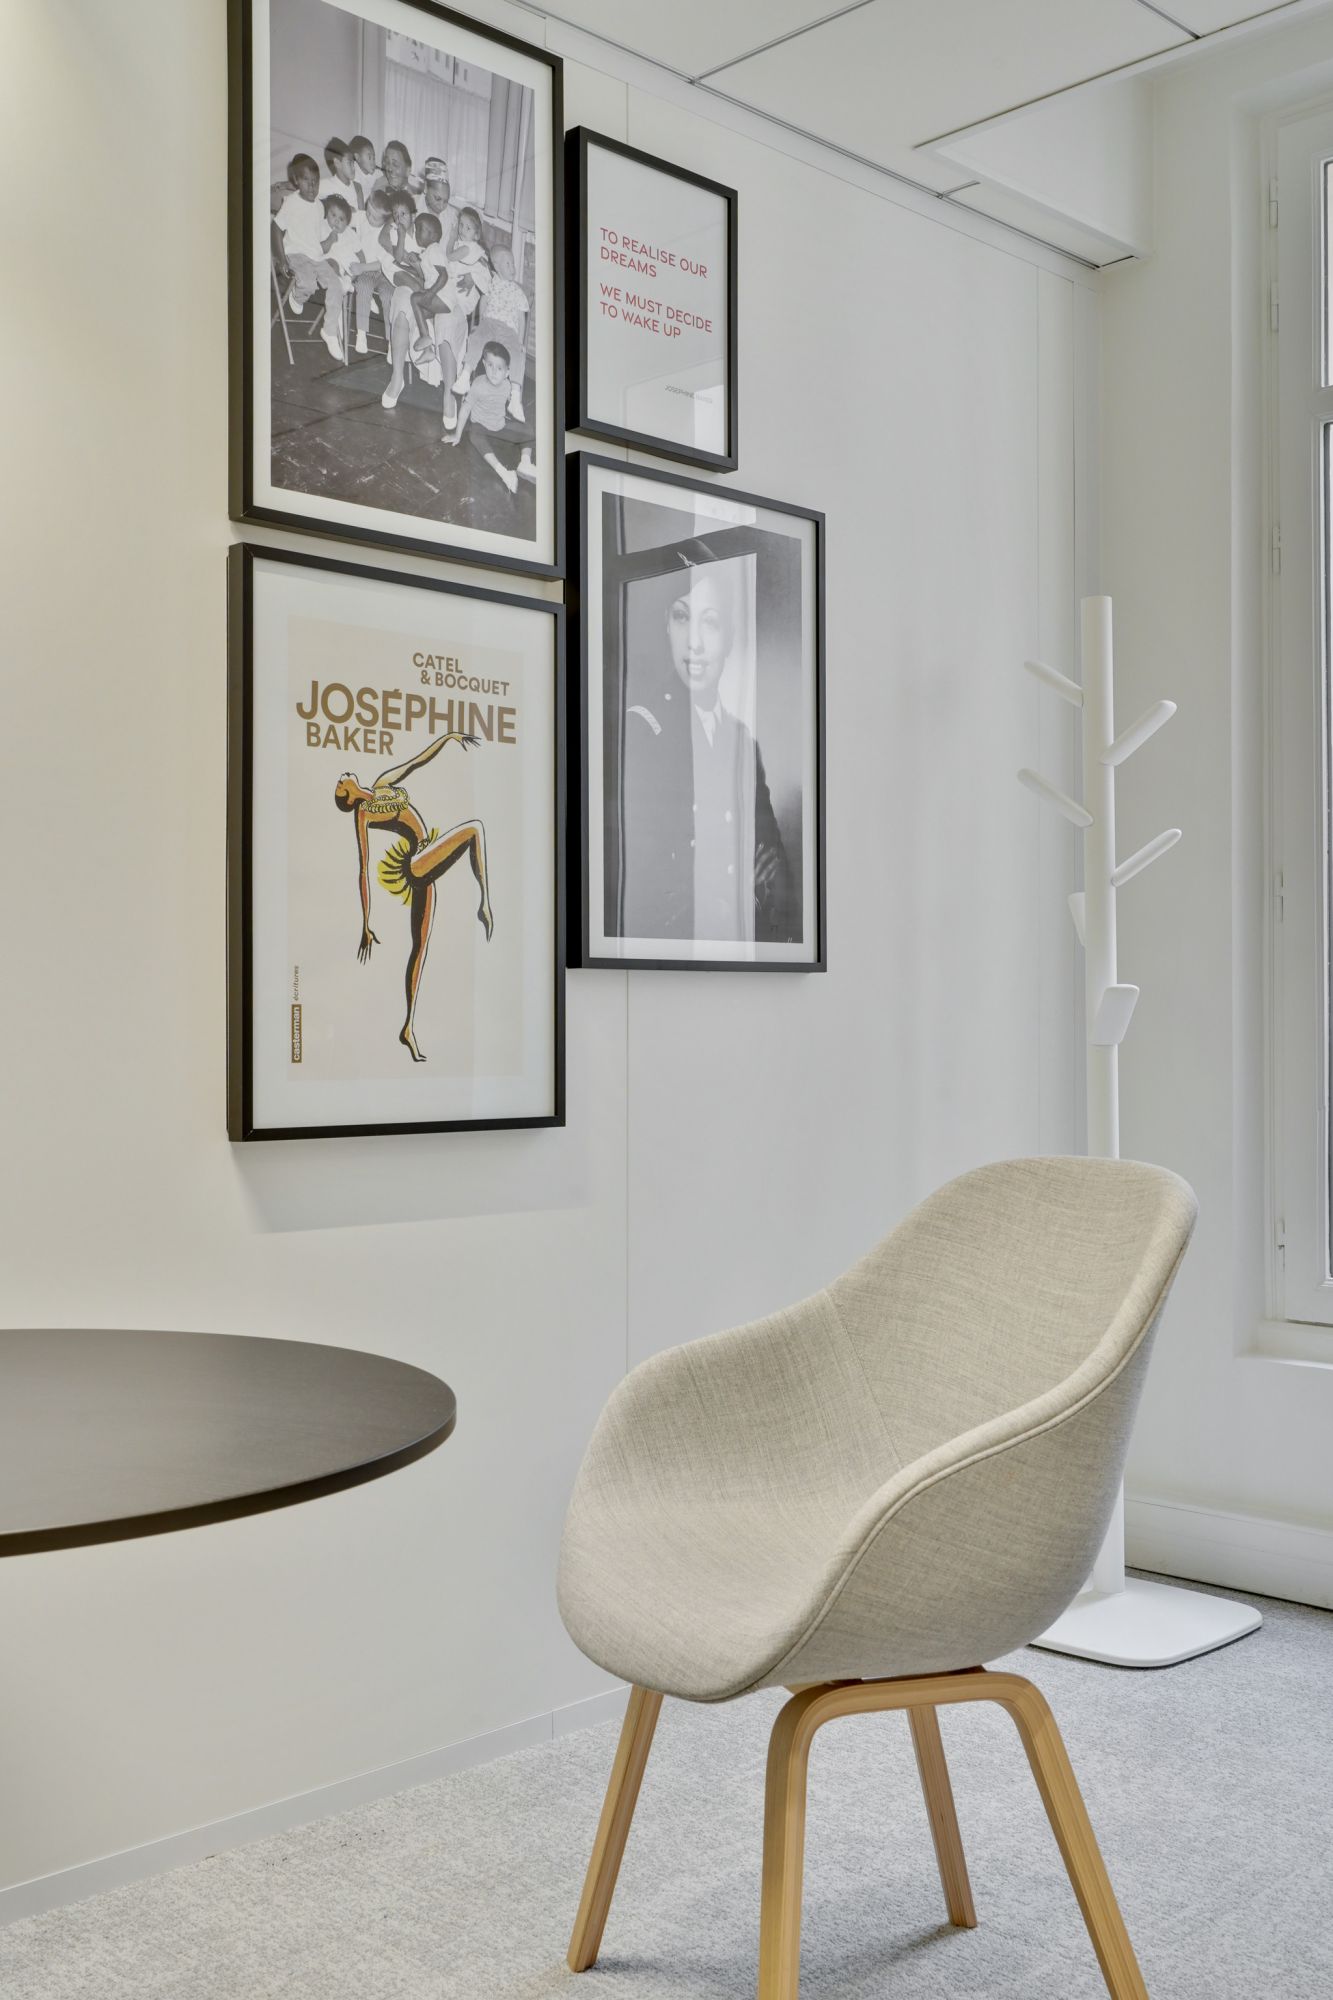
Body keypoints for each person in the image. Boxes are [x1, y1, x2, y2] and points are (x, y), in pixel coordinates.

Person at [618, 558, 792, 944]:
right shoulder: (643, 729)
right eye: (682, 617)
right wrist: (733, 885)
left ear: (730, 637)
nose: (693, 642)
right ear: (667, 625)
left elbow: (775, 865)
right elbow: (644, 872)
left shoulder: (742, 743)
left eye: (710, 623)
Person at [333, 730, 492, 1064]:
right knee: (474, 829)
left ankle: (408, 1027)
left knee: (420, 948)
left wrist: (448, 737)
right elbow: (362, 870)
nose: (341, 778)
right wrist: (365, 923)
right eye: (339, 785)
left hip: (424, 860)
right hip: (418, 862)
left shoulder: (382, 783)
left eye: (339, 781)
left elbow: (418, 761)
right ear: (347, 798)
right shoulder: (362, 815)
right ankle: (484, 904)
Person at [274, 152, 345, 358]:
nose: (312, 186)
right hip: (296, 254)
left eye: (315, 181)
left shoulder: (320, 207)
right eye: (307, 181)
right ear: (296, 181)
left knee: (337, 285)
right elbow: (275, 228)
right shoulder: (291, 202)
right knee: (308, 283)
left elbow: (315, 238)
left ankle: (329, 331)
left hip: (315, 256)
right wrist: (281, 259)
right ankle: (298, 296)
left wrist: (329, 242)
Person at [447, 340, 535, 493]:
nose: (494, 371)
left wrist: (515, 406)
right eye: (490, 365)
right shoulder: (478, 384)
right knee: (474, 433)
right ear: (484, 363)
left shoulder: (507, 385)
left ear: (507, 372)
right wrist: (457, 435)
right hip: (482, 429)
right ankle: (504, 472)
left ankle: (525, 463)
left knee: (528, 428)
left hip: (500, 428)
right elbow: (465, 409)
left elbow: (513, 406)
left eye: (499, 368)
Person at [453, 244, 528, 420]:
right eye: (507, 264)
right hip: (489, 323)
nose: (513, 267)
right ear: (496, 266)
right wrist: (479, 323)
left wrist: (520, 341)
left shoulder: (517, 292)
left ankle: (515, 398)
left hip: (509, 330)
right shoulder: (491, 282)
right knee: (476, 338)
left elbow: (521, 318)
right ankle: (465, 376)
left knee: (518, 354)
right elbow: (484, 302)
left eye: (513, 263)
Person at [349, 189, 395, 353]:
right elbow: (346, 216)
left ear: (384, 221)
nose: (368, 217)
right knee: (364, 287)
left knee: (389, 296)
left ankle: (392, 341)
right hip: (364, 272)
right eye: (368, 211)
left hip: (382, 272)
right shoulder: (362, 217)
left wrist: (362, 267)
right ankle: (361, 334)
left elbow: (383, 263)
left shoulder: (388, 233)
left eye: (374, 218)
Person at [318, 136, 358, 208]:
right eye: (349, 163)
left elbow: (362, 213)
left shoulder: (357, 187)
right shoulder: (324, 186)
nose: (353, 167)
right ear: (337, 163)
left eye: (353, 162)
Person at [349, 134, 378, 207]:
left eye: (374, 158)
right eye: (369, 157)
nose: (373, 162)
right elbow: (358, 193)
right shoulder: (353, 170)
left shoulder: (376, 173)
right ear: (357, 157)